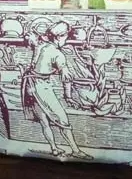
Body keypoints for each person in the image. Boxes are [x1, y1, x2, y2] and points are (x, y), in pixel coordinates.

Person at [21, 22, 90, 159]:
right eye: (66, 37)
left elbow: (32, 41)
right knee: (63, 121)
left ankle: (54, 148)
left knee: (44, 121)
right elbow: (66, 78)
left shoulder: (41, 45)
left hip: (29, 85)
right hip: (41, 87)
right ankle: (75, 150)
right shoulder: (58, 54)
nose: (67, 40)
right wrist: (68, 97)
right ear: (59, 37)